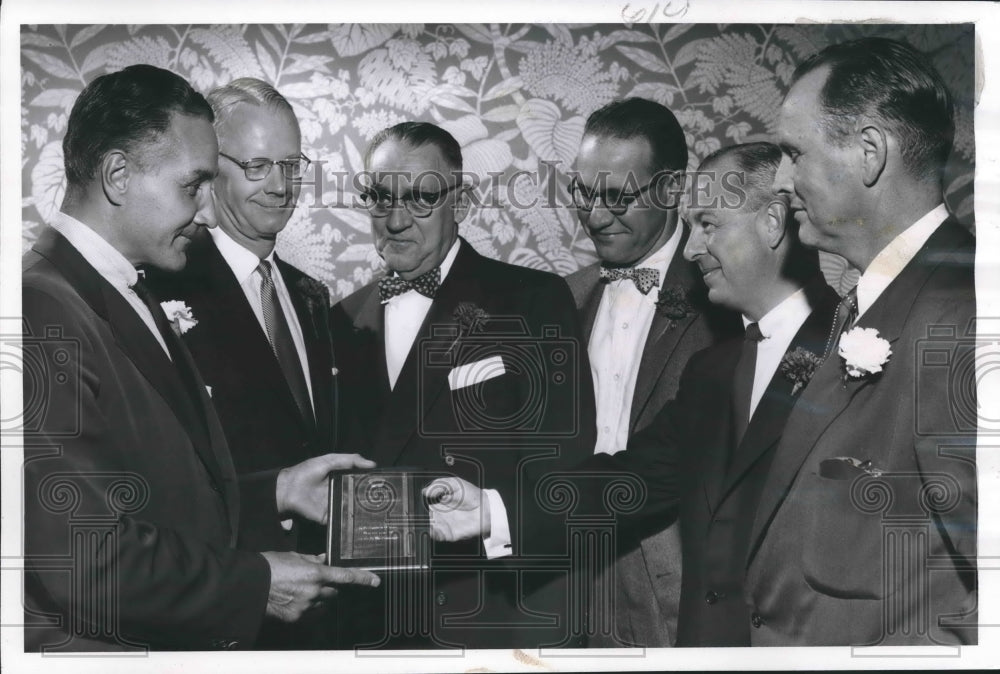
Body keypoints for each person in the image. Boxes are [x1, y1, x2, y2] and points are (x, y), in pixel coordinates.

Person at [423, 141, 840, 647]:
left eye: (708, 225)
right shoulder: (714, 371)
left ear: (773, 222)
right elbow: (631, 480)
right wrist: (490, 510)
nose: (689, 248)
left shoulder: (860, 346)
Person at [22, 64, 379, 653]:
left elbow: (155, 491)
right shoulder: (39, 305)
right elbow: (83, 558)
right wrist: (253, 585)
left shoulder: (126, 285)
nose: (209, 213)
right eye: (193, 187)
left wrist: (277, 490)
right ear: (118, 175)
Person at [329, 121, 596, 648]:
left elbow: (561, 468)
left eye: (422, 198)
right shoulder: (339, 320)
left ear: (462, 201)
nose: (398, 219)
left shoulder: (531, 300)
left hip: (490, 611)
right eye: (381, 198)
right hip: (372, 617)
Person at [751, 36, 976, 646]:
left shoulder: (963, 313)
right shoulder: (878, 300)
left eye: (793, 153)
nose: (779, 179)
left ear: (870, 152)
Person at [145, 77, 348, 649]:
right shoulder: (158, 288)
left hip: (317, 612)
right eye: (257, 165)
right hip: (216, 609)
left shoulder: (312, 296)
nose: (282, 186)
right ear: (211, 169)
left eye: (292, 164)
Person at [564, 98, 738, 647]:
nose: (594, 215)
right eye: (583, 192)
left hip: (683, 584)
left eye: (616, 196)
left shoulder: (727, 300)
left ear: (669, 190)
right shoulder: (563, 299)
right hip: (570, 579)